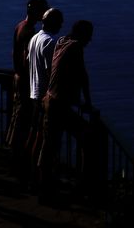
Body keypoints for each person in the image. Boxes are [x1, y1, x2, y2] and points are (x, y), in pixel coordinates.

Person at [38, 19, 93, 200]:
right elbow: (82, 75)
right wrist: (88, 102)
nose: (90, 40)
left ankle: (45, 184)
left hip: (50, 99)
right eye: (88, 35)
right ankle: (81, 184)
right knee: (85, 136)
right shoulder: (76, 46)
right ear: (82, 34)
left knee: (49, 144)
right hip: (59, 103)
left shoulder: (62, 41)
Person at [6, 0, 48, 174]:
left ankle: (14, 158)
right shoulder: (30, 32)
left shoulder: (19, 26)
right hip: (26, 83)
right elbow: (26, 60)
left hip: (18, 78)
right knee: (23, 122)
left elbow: (14, 53)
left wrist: (17, 73)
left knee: (17, 119)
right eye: (43, 10)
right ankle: (18, 162)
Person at [25, 8, 64, 176]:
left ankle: (27, 170)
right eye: (59, 21)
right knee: (43, 139)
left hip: (34, 92)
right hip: (44, 96)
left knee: (34, 134)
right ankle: (38, 175)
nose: (61, 25)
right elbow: (51, 73)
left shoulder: (35, 38)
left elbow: (28, 62)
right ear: (53, 22)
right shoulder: (50, 42)